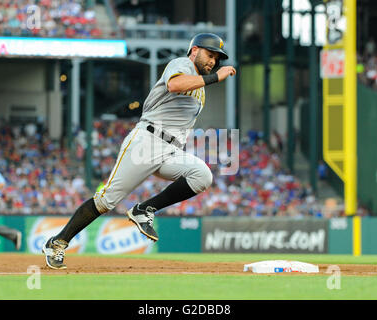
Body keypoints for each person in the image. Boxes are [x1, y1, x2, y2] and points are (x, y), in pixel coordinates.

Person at [42, 33, 236, 269]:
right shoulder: (181, 64)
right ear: (194, 50)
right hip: (147, 141)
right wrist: (217, 77)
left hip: (170, 149)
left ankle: (145, 209)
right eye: (209, 54)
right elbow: (175, 84)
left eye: (216, 58)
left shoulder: (200, 89)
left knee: (202, 176)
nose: (213, 61)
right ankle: (58, 241)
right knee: (106, 200)